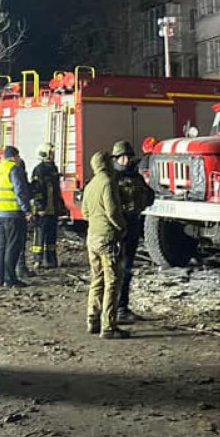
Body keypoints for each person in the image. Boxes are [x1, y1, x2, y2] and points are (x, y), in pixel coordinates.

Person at [82, 149, 127, 339]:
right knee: (112, 282)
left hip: (92, 237)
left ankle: (92, 318)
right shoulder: (108, 183)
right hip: (107, 238)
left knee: (97, 278)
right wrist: (122, 228)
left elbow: (84, 212)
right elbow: (113, 212)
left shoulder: (90, 185)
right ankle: (109, 326)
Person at [112, 140, 156, 324]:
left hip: (133, 225)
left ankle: (122, 306)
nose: (127, 160)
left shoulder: (136, 177)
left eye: (129, 157)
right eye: (124, 157)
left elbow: (149, 196)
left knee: (127, 269)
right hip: (118, 229)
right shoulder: (111, 178)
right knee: (116, 270)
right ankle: (115, 309)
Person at [0, 146, 30, 288]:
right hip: (13, 213)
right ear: (14, 157)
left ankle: (0, 278)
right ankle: (10, 279)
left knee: (1, 246)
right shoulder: (14, 169)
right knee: (13, 246)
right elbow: (20, 191)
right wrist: (27, 210)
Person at [29, 143, 66, 268]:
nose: (53, 155)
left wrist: (61, 206)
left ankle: (51, 259)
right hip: (43, 210)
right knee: (40, 235)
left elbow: (56, 190)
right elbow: (36, 190)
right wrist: (39, 207)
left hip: (53, 209)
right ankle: (37, 259)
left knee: (51, 235)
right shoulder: (39, 170)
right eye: (51, 153)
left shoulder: (53, 169)